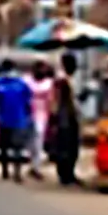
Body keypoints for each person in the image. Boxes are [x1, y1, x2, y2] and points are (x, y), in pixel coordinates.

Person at [0, 61, 35, 182]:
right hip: (4, 119)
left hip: (18, 119)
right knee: (4, 146)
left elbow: (28, 101)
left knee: (17, 147)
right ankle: (5, 170)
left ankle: (17, 172)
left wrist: (28, 115)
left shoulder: (21, 84)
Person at [48, 53, 84, 187]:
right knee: (64, 147)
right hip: (64, 118)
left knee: (73, 147)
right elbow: (57, 101)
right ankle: (65, 175)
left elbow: (76, 99)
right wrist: (54, 117)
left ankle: (70, 173)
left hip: (73, 116)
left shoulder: (72, 79)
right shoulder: (61, 81)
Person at [27, 61, 57, 180]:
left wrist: (52, 115)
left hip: (41, 115)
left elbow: (51, 101)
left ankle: (36, 167)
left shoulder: (49, 84)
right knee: (30, 142)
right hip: (28, 114)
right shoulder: (27, 82)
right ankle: (32, 164)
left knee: (38, 140)